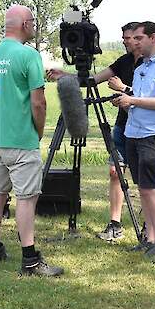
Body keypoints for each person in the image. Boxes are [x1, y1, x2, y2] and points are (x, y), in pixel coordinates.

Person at [0, 5, 63, 277]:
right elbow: (38, 103)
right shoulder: (29, 55)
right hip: (20, 138)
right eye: (33, 22)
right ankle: (30, 258)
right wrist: (38, 132)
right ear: (26, 24)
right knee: (27, 198)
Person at [47, 22, 143, 243]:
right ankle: (115, 223)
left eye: (128, 37)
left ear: (140, 39)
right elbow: (92, 80)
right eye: (124, 37)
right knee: (115, 171)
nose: (125, 41)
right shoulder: (124, 61)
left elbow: (154, 97)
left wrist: (123, 89)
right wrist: (66, 76)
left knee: (143, 179)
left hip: (143, 127)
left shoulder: (151, 63)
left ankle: (149, 226)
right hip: (123, 125)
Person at [111, 21, 155, 261]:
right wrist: (124, 99)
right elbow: (138, 98)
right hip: (133, 133)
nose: (134, 42)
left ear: (153, 38)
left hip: (152, 136)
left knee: (150, 189)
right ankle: (149, 239)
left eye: (139, 38)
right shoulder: (141, 65)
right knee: (142, 189)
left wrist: (132, 101)